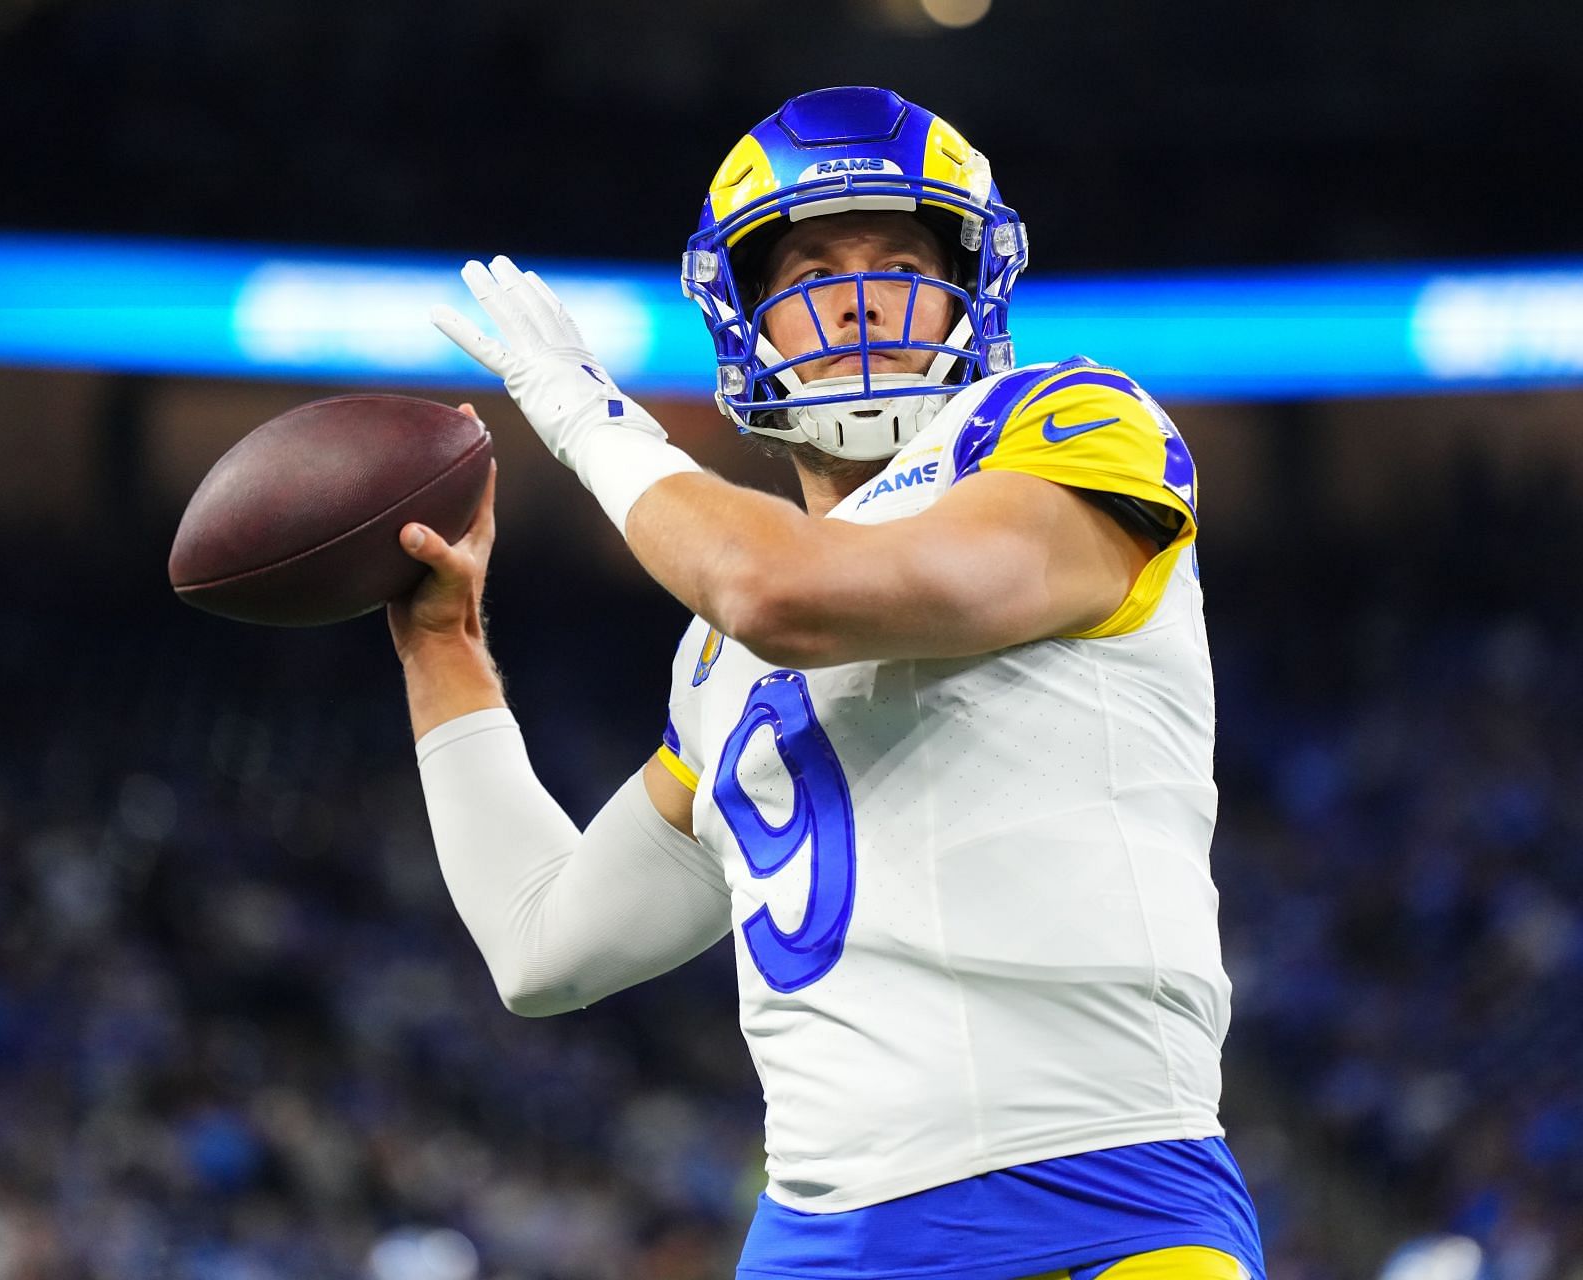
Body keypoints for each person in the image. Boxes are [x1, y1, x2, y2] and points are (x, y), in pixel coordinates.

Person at [400, 85, 1264, 1280]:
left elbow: (788, 591)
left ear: (974, 288)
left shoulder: (1070, 425)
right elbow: (542, 942)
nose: (858, 294)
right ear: (745, 321)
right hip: (815, 1241)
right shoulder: (712, 659)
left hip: (1096, 1207)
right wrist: (441, 645)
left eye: (900, 258)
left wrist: (587, 413)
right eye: (809, 268)